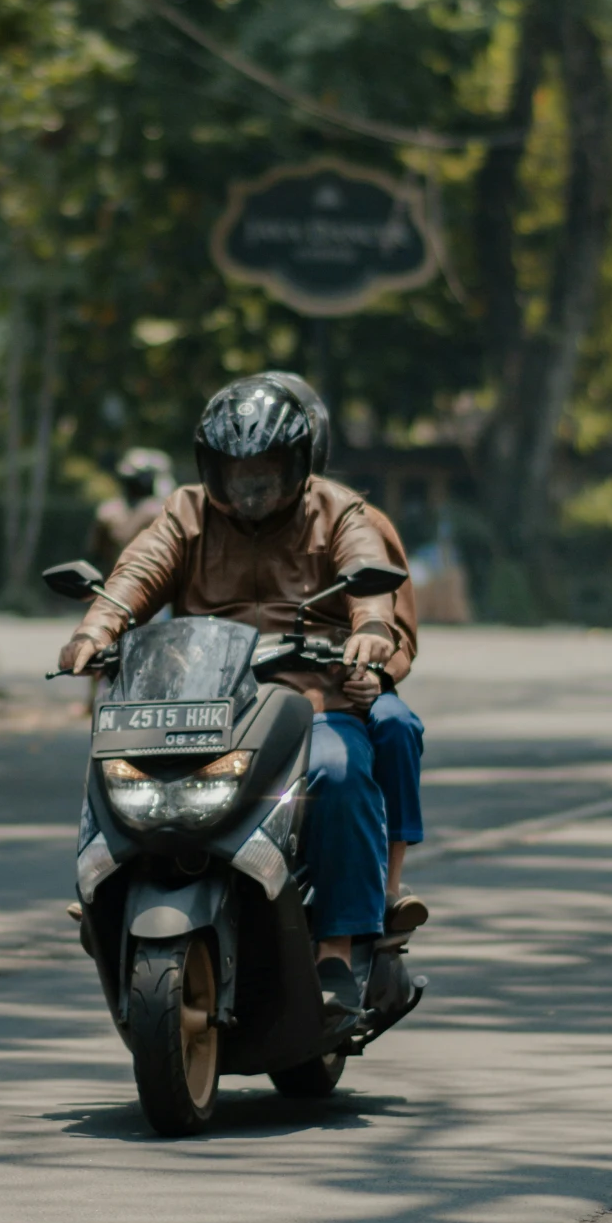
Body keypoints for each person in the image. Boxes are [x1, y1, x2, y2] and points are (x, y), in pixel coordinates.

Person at [57, 375, 408, 1028]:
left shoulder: (340, 512)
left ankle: (334, 951)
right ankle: (105, 879)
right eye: (235, 470)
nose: (250, 485)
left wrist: (368, 631)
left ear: (298, 465)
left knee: (336, 771)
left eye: (266, 470)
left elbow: (370, 584)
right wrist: (96, 628)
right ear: (210, 467)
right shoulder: (187, 511)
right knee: (118, 748)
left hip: (314, 695)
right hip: (204, 691)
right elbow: (139, 569)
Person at [261, 372, 427, 938]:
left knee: (396, 726)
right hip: (256, 686)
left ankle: (389, 888)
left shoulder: (359, 521)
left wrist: (375, 673)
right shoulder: (225, 524)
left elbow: (396, 627)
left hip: (346, 686)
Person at [87, 448, 173, 575]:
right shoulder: (110, 512)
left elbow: (94, 556)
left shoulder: (108, 511)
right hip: (121, 586)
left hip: (126, 585)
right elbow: (96, 556)